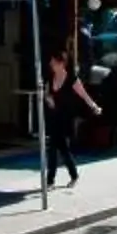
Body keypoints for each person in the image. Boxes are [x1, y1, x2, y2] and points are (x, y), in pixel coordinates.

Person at [42, 51, 98, 189]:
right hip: (54, 117)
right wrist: (48, 100)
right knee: (56, 149)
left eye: (54, 62)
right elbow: (47, 94)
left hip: (66, 119)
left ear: (62, 64)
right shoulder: (50, 78)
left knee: (60, 149)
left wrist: (94, 106)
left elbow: (84, 95)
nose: (51, 65)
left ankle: (54, 180)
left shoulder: (72, 79)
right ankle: (64, 178)